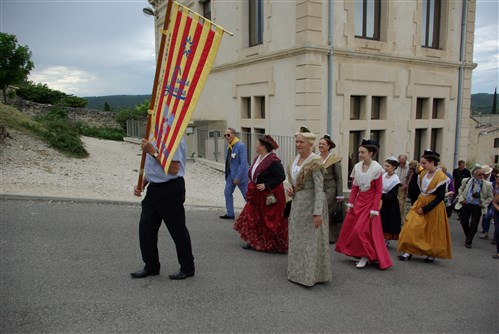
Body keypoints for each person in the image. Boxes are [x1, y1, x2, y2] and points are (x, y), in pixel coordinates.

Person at [131, 138, 195, 280]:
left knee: (177, 230)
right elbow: (153, 167)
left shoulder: (174, 138)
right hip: (154, 188)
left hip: (170, 188)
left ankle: (187, 267)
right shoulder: (154, 135)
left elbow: (173, 169)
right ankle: (151, 266)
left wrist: (153, 152)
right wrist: (143, 183)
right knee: (146, 228)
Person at [335, 139, 393, 270]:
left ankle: (366, 256)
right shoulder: (357, 166)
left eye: (363, 152)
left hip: (370, 203)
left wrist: (374, 209)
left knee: (362, 231)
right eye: (359, 152)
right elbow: (355, 187)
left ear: (370, 153)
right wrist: (350, 203)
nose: (360, 154)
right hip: (359, 201)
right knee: (354, 229)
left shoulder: (377, 168)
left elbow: (379, 191)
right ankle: (362, 254)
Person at [286, 127, 331, 286]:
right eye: (296, 141)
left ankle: (310, 276)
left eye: (301, 142)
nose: (298, 144)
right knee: (297, 239)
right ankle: (296, 273)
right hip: (298, 204)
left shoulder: (315, 162)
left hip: (312, 205)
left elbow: (319, 189)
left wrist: (317, 213)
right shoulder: (294, 160)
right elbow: (296, 182)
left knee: (310, 241)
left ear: (310, 144)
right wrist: (292, 190)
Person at [233, 135, 288, 253]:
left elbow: (281, 176)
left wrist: (266, 185)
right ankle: (253, 240)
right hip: (256, 194)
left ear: (263, 147)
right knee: (252, 216)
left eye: (257, 144)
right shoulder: (258, 158)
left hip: (267, 195)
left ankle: (269, 243)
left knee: (265, 219)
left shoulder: (273, 161)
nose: (255, 145)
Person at [397, 149, 452, 263]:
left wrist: (426, 209)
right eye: (421, 163)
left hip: (433, 206)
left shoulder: (441, 176)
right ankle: (408, 251)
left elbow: (440, 197)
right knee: (411, 225)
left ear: (432, 162)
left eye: (424, 163)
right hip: (421, 201)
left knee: (431, 231)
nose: (421, 165)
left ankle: (431, 253)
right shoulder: (423, 173)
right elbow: (416, 188)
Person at [454, 166, 493, 248]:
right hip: (466, 203)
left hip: (477, 205)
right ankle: (469, 235)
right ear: (474, 174)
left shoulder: (487, 184)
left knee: (474, 224)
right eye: (480, 174)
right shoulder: (466, 180)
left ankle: (468, 241)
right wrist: (461, 199)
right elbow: (460, 190)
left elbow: (490, 197)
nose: (482, 176)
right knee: (463, 221)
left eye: (483, 174)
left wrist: (483, 203)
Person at [318, 134, 344, 244]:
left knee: (327, 212)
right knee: (320, 212)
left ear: (328, 146)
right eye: (319, 143)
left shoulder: (334, 160)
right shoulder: (316, 158)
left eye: (323, 144)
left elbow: (339, 178)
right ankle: (320, 235)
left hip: (330, 190)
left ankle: (330, 237)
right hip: (319, 188)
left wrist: (339, 194)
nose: (320, 145)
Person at [220, 128, 249, 220]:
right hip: (230, 175)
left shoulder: (240, 146)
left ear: (234, 135)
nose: (226, 137)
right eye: (225, 135)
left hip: (240, 176)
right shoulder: (229, 146)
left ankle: (254, 213)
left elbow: (243, 163)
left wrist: (238, 177)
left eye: (228, 135)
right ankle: (230, 213)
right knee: (227, 192)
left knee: (247, 196)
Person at [380, 157, 401, 246]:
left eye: (388, 166)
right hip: (382, 202)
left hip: (390, 204)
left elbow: (393, 195)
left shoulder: (395, 180)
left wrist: (380, 195)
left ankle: (387, 239)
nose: (386, 168)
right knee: (381, 220)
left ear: (393, 167)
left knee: (388, 221)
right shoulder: (384, 176)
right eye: (385, 166)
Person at [479, 166, 496, 239]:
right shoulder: (483, 178)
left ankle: (494, 236)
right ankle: (485, 231)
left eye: (484, 174)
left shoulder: (493, 177)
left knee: (488, 216)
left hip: (494, 201)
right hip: (487, 200)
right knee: (485, 215)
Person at [395, 154, 410, 218]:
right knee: (395, 201)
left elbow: (410, 177)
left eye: (403, 161)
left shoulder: (409, 166)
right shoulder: (396, 165)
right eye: (400, 161)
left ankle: (399, 216)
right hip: (395, 185)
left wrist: (407, 184)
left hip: (403, 186)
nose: (401, 163)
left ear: (406, 160)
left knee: (400, 203)